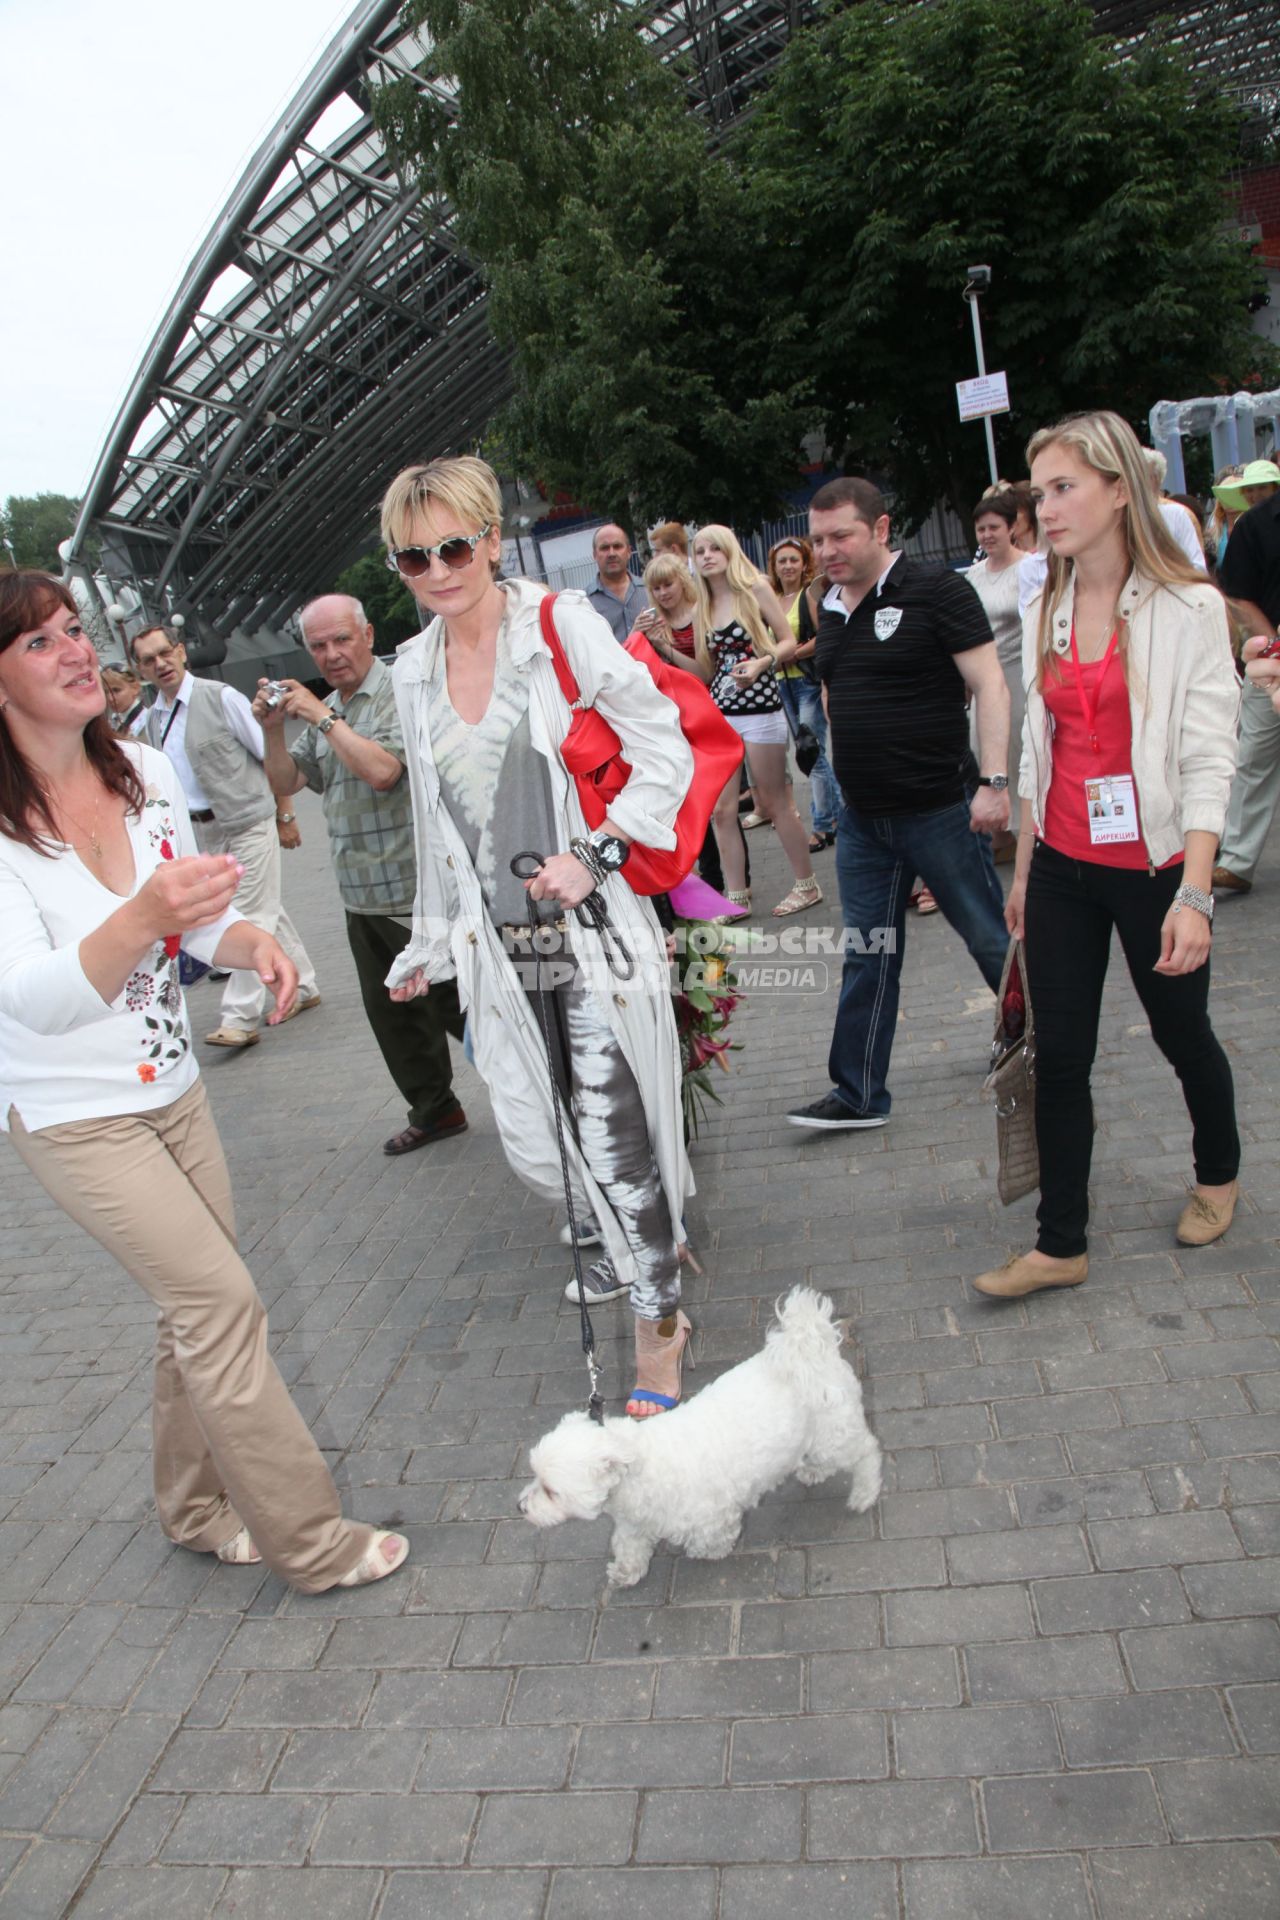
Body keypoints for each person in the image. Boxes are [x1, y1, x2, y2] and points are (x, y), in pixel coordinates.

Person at [0, 571, 405, 1591]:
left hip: (175, 1089)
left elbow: (190, 923)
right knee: (221, 1303)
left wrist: (247, 938)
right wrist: (145, 917)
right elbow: (35, 1001)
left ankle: (190, 1507)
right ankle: (308, 1541)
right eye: (42, 642)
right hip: (74, 1115)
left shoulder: (138, 765)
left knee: (192, 1307)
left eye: (73, 632)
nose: (76, 651)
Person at [379, 456, 696, 1418]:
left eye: (455, 545)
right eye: (412, 557)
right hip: (495, 958)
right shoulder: (410, 671)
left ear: (488, 535)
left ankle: (661, 1343)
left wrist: (595, 855)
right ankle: (642, 1246)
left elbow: (665, 746)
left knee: (612, 1140)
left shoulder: (558, 627)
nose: (438, 570)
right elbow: (437, 828)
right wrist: (427, 942)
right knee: (534, 1141)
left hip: (582, 935)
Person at [973, 411, 1241, 1300]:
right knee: (1061, 1056)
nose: (1040, 509)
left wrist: (1195, 895)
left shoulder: (1191, 608)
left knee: (1179, 1031)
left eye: (1062, 489)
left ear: (1120, 490)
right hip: (1061, 867)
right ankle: (1060, 1243)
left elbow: (1208, 757)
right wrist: (1021, 872)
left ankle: (1217, 1173)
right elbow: (1040, 748)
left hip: (1157, 866)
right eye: (1037, 491)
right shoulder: (1042, 599)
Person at [787, 476, 1011, 1131]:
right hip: (863, 824)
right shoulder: (827, 606)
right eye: (819, 537)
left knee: (989, 938)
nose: (827, 549)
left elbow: (990, 685)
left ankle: (1041, 1040)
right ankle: (858, 1095)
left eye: (841, 536)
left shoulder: (939, 591)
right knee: (867, 952)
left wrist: (993, 784)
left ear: (881, 530)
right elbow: (831, 691)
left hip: (942, 809)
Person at [254, 593, 468, 1157]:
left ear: (368, 634)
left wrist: (321, 717)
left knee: (461, 1006)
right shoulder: (330, 707)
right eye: (318, 646)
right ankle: (435, 1108)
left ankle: (544, 1084)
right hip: (359, 895)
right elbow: (286, 781)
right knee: (394, 1019)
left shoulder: (399, 691)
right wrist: (275, 728)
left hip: (415, 890)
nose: (331, 655)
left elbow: (382, 771)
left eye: (341, 639)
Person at [133, 624, 320, 1049]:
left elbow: (272, 755)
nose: (160, 664)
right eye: (148, 660)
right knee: (267, 906)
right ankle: (305, 985)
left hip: (250, 819)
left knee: (249, 915)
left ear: (181, 652)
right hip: (203, 832)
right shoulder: (152, 719)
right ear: (140, 669)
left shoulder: (221, 697)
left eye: (165, 653)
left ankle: (239, 1017)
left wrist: (286, 815)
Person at [692, 524, 821, 918]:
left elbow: (786, 642)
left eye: (715, 548)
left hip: (762, 706)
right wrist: (663, 644)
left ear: (730, 551)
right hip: (721, 714)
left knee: (773, 801)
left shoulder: (755, 589)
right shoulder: (703, 603)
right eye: (699, 551)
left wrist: (763, 661)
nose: (707, 556)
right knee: (721, 811)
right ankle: (736, 896)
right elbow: (705, 670)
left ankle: (806, 884)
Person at [1210, 460, 1280, 896]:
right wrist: (1271, 643)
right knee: (1252, 756)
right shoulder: (1255, 526)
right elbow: (1237, 593)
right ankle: (1236, 860)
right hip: (1270, 652)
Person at [767, 536, 838, 853]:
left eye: (793, 560)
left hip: (807, 681)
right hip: (783, 685)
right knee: (808, 754)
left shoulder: (808, 596)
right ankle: (838, 818)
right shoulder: (771, 599)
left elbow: (824, 636)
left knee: (813, 752)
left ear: (804, 563)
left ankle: (823, 825)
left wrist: (793, 653)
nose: (787, 566)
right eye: (782, 561)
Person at [966, 491, 1026, 864]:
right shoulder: (971, 575)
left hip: (1019, 673)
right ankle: (1000, 835)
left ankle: (1027, 832)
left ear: (1013, 528)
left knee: (1019, 753)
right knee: (983, 753)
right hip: (981, 675)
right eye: (981, 529)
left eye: (994, 528)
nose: (987, 535)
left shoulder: (1032, 567)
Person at [586, 524, 649, 641]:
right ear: (594, 555)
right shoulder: (586, 603)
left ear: (629, 552)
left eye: (617, 546)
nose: (611, 553)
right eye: (604, 548)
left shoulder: (650, 591)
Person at [101, 662, 149, 738]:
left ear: (135, 688)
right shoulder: (113, 722)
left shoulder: (147, 720)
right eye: (106, 692)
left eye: (116, 690)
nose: (110, 698)